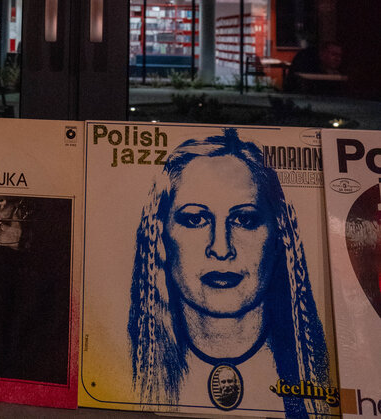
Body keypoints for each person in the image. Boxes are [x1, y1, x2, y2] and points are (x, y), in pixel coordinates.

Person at [128, 128, 330, 417]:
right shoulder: (126, 377)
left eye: (244, 219)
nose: (221, 249)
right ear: (160, 237)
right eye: (195, 219)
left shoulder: (322, 377)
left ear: (278, 236)